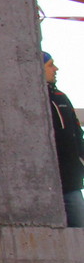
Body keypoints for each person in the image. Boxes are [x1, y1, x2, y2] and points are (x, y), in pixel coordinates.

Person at [46, 51, 84, 227]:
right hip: (44, 185)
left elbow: (77, 135)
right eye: (50, 65)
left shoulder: (61, 97)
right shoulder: (33, 100)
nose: (56, 69)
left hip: (70, 182)